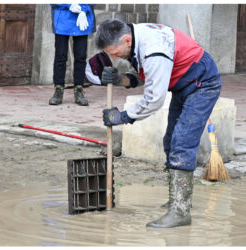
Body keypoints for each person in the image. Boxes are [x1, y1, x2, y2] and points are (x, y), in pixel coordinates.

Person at [94, 19, 222, 228]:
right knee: (170, 141)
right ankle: (176, 199)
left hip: (202, 85)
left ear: (127, 40)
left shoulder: (152, 49)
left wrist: (123, 116)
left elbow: (154, 99)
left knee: (182, 143)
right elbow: (147, 77)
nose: (114, 58)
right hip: (183, 84)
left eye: (115, 53)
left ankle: (180, 212)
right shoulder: (136, 39)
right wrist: (120, 79)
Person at [49, 4, 96, 106]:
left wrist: (83, 10)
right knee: (60, 56)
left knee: (81, 56)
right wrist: (69, 4)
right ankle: (58, 89)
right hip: (62, 19)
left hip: (82, 19)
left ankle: (79, 89)